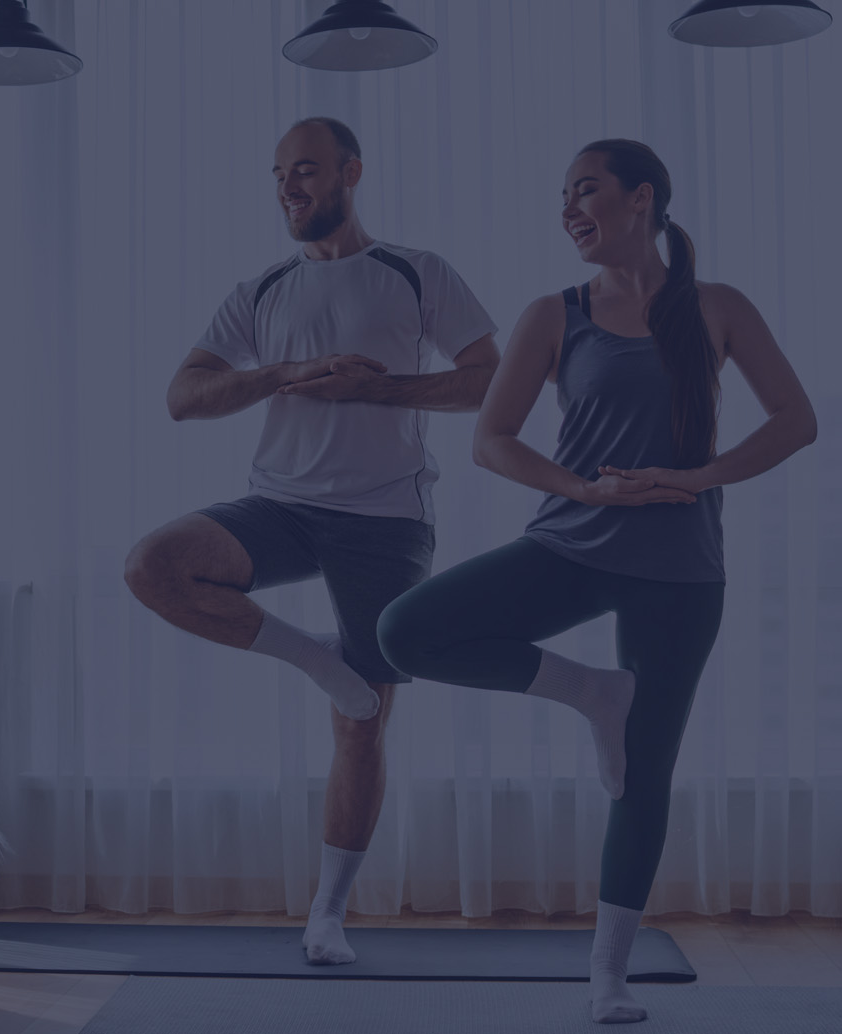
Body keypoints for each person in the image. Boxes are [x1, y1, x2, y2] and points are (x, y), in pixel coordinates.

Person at [376, 138, 817, 1024]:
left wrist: (698, 478)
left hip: (683, 568)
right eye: (562, 196)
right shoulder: (553, 313)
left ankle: (607, 977)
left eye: (586, 190)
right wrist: (582, 487)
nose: (569, 208)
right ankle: (589, 694)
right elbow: (491, 439)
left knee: (641, 776)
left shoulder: (716, 307)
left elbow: (795, 419)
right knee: (405, 632)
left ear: (641, 199)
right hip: (571, 541)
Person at [123, 116, 499, 965]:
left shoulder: (415, 271)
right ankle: (314, 658)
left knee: (361, 725)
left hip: (386, 519)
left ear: (350, 172)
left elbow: (487, 382)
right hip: (279, 505)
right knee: (154, 565)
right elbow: (184, 396)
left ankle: (326, 915)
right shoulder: (261, 290)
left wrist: (376, 394)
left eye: (305, 170)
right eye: (278, 174)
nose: (288, 186)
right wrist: (286, 374)